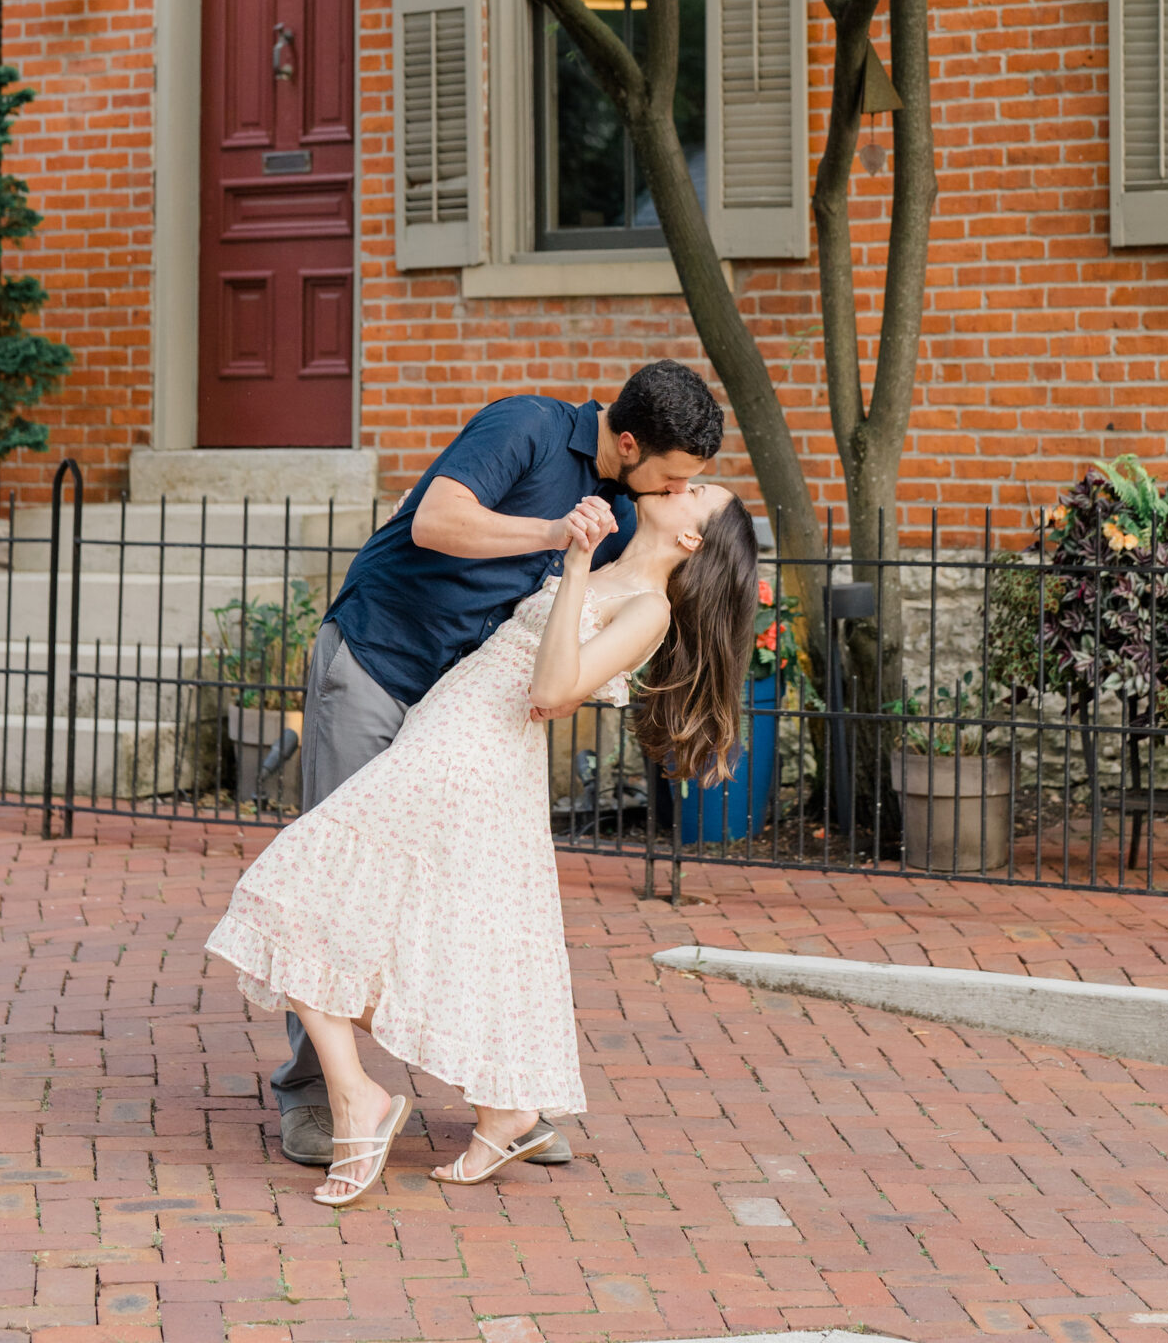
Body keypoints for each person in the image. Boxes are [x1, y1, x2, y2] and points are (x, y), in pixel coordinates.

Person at [206, 466, 760, 1198]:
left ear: (691, 535)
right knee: (336, 912)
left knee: (290, 889)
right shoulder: (603, 548)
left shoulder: (647, 607)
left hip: (475, 755)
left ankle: (359, 1100)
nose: (682, 480)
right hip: (445, 727)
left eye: (698, 490)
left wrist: (571, 566)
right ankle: (500, 1109)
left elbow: (552, 689)